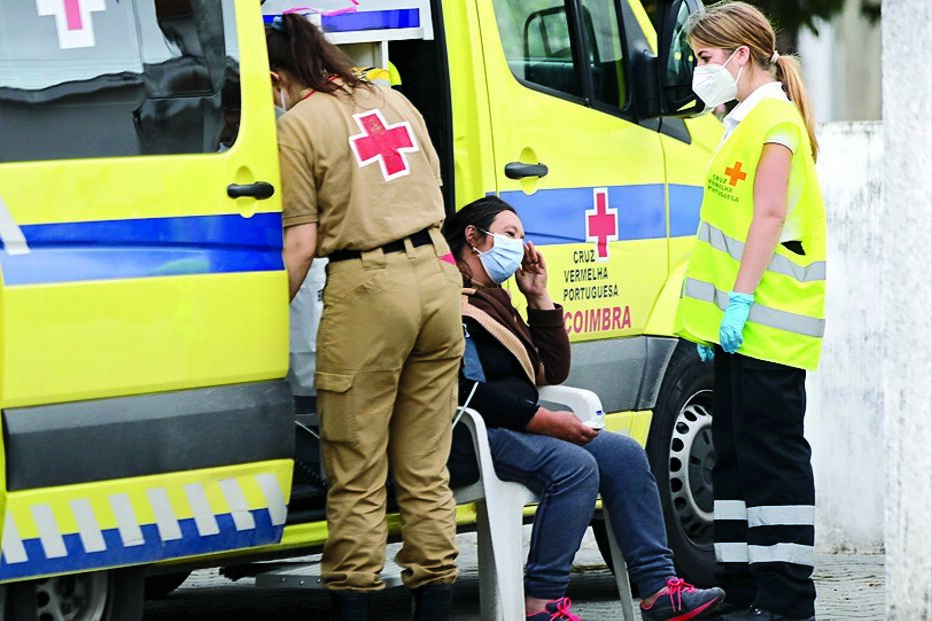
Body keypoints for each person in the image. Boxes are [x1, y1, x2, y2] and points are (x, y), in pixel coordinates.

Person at [265, 14, 464, 621]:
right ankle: (434, 604)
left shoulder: (298, 125)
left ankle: (354, 601)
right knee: (426, 470)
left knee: (356, 469)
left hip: (369, 288)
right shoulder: (392, 97)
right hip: (437, 279)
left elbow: (300, 244)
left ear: (277, 77)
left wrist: (256, 323)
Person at [444, 196, 726, 621]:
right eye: (509, 235)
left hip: (518, 428)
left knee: (625, 455)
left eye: (523, 237)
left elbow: (551, 369)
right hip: (472, 434)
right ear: (473, 238)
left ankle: (657, 590)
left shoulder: (495, 298)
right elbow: (467, 392)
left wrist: (538, 297)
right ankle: (541, 602)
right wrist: (546, 423)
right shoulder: (451, 298)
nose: (521, 247)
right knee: (575, 466)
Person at [676, 3, 827, 621]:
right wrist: (719, 320)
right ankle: (741, 591)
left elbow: (767, 217)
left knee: (772, 462)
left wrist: (737, 302)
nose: (698, 71)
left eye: (705, 59)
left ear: (741, 55)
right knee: (734, 459)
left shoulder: (774, 121)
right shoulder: (742, 121)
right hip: (740, 331)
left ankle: (787, 600)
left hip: (767, 323)